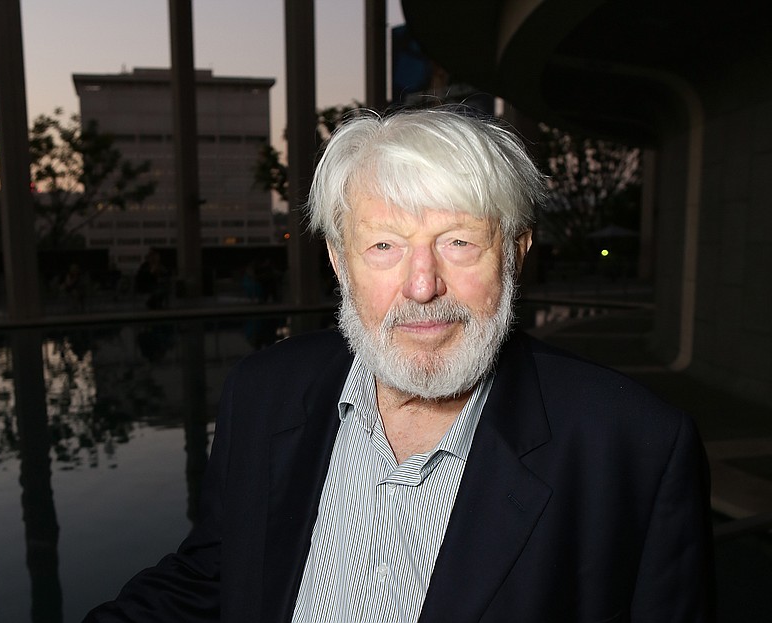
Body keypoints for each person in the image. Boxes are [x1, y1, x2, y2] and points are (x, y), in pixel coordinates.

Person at [85, 108, 714, 622]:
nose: (421, 285)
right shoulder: (263, 391)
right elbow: (213, 573)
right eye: (384, 245)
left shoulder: (634, 445)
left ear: (515, 253)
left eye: (460, 242)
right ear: (339, 260)